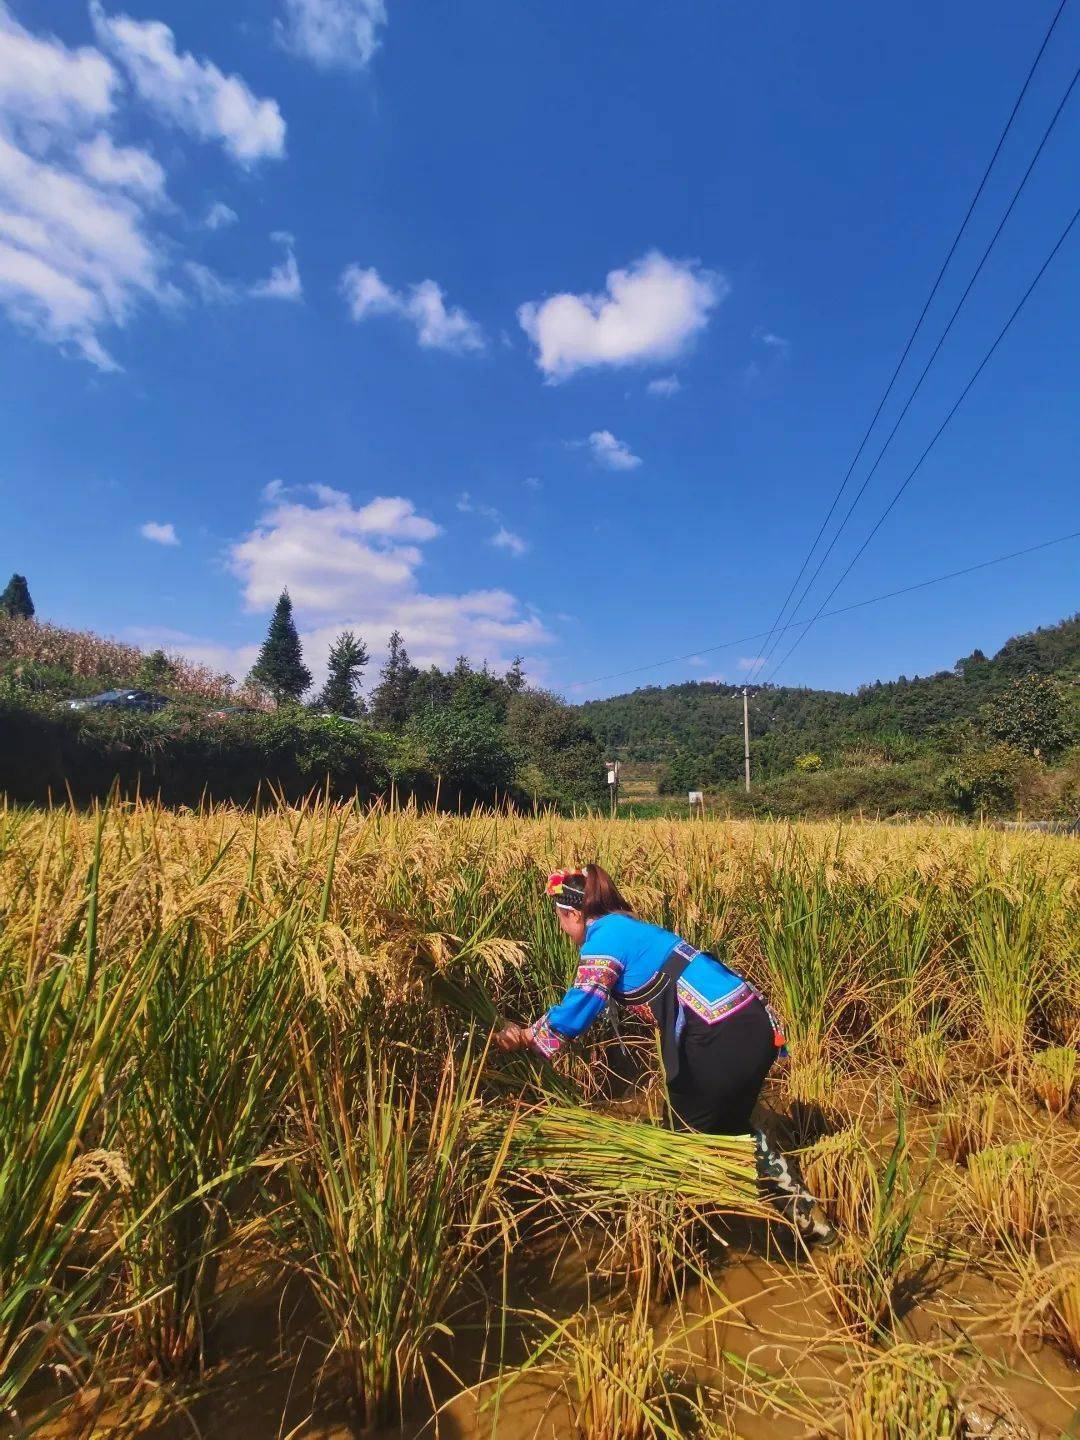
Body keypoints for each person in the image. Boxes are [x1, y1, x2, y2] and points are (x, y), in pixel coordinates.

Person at [495, 863, 837, 1246]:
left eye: (561, 920)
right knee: (726, 1128)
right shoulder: (626, 926)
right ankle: (809, 1223)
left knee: (685, 1135)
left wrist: (525, 1036)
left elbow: (581, 1003)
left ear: (574, 914)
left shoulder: (603, 938)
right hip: (749, 1026)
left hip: (721, 1033)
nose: (562, 930)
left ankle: (683, 1237)